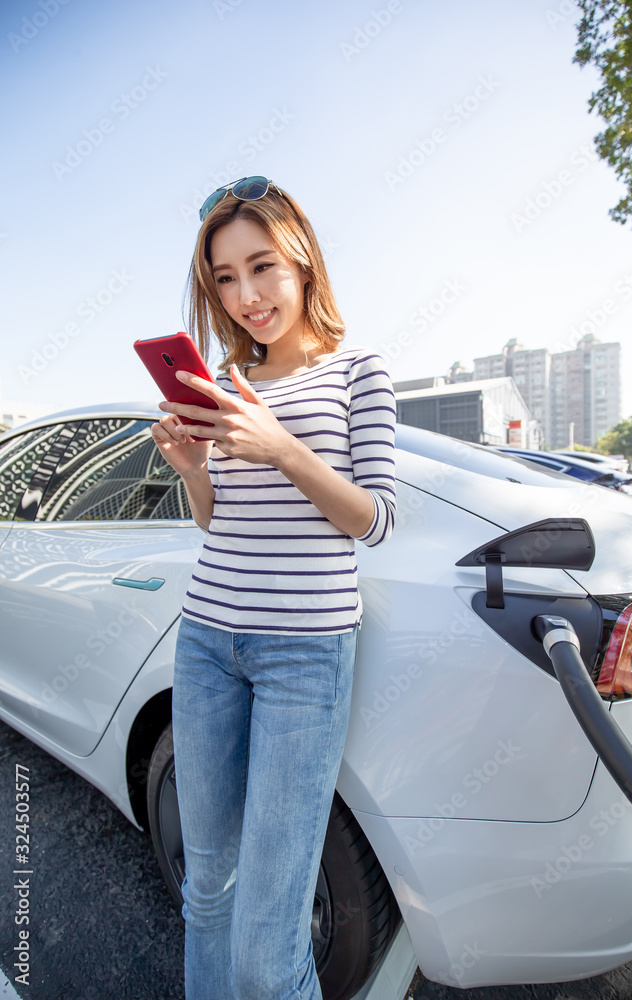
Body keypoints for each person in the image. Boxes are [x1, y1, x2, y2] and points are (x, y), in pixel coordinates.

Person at [150, 176, 397, 1000]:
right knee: (206, 885)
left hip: (304, 657)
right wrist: (194, 471)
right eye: (225, 278)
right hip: (207, 643)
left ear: (302, 262)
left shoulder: (360, 368)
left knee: (267, 946)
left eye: (262, 267)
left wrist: (284, 448)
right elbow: (220, 525)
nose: (247, 295)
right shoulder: (223, 381)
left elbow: (376, 520)